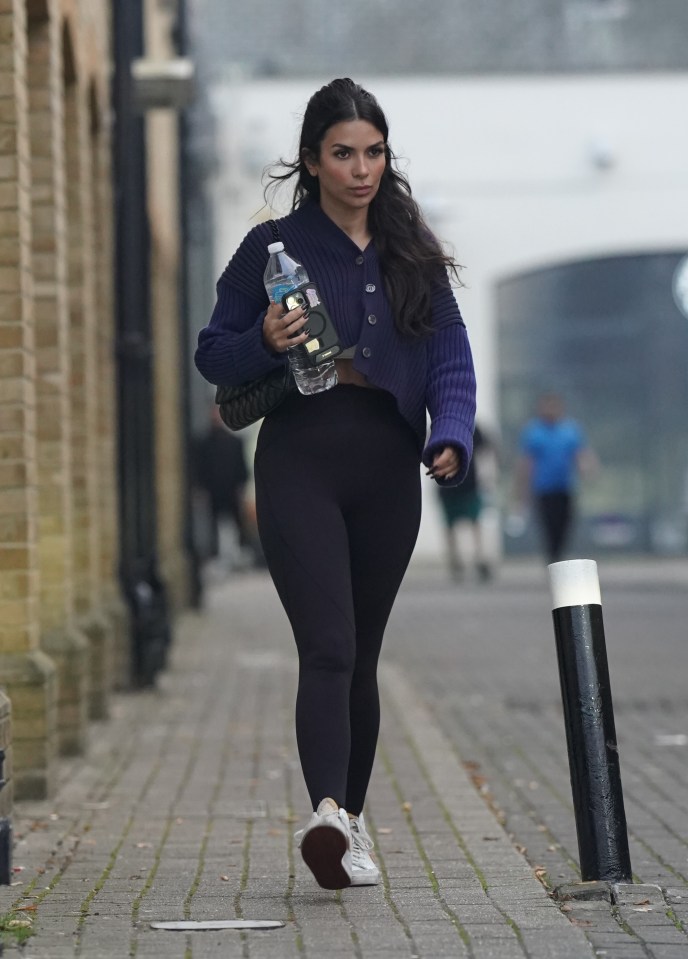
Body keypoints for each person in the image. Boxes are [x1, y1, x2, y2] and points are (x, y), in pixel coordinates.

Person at [194, 78, 476, 890]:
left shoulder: (411, 250)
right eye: (344, 154)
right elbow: (214, 352)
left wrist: (450, 432)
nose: (361, 169)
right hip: (300, 457)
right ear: (313, 160)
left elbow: (449, 356)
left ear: (387, 158)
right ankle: (324, 811)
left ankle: (349, 823)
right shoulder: (270, 246)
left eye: (374, 153)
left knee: (363, 656)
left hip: (389, 465)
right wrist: (264, 337)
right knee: (327, 645)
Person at [515, 393, 595, 564]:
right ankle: (552, 557)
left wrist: (587, 469)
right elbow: (527, 462)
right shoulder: (534, 432)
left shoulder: (570, 430)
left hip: (565, 487)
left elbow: (580, 453)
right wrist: (522, 489)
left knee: (564, 523)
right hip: (543, 489)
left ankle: (559, 553)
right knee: (548, 525)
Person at [192, 405, 256, 570]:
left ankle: (237, 554)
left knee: (235, 523)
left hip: (231, 490)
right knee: (216, 524)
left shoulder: (234, 442)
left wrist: (241, 487)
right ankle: (220, 556)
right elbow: (200, 468)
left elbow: (241, 468)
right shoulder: (205, 443)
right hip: (215, 490)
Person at [436, 423, 495, 582]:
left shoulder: (473, 426)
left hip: (469, 483)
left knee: (475, 522)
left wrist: (487, 477)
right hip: (446, 483)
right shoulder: (438, 425)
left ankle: (480, 558)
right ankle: (455, 561)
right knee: (450, 525)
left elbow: (485, 453)